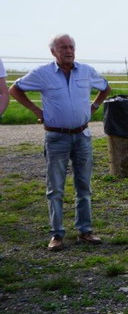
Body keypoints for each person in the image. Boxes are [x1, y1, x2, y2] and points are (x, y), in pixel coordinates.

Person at [9, 34, 111, 252]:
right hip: (56, 138)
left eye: (71, 46)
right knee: (55, 188)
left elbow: (105, 88)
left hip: (82, 136)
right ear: (53, 51)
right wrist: (37, 111)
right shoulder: (42, 73)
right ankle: (57, 234)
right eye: (63, 47)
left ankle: (85, 230)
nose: (68, 50)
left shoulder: (86, 71)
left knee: (84, 186)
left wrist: (93, 107)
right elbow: (15, 89)